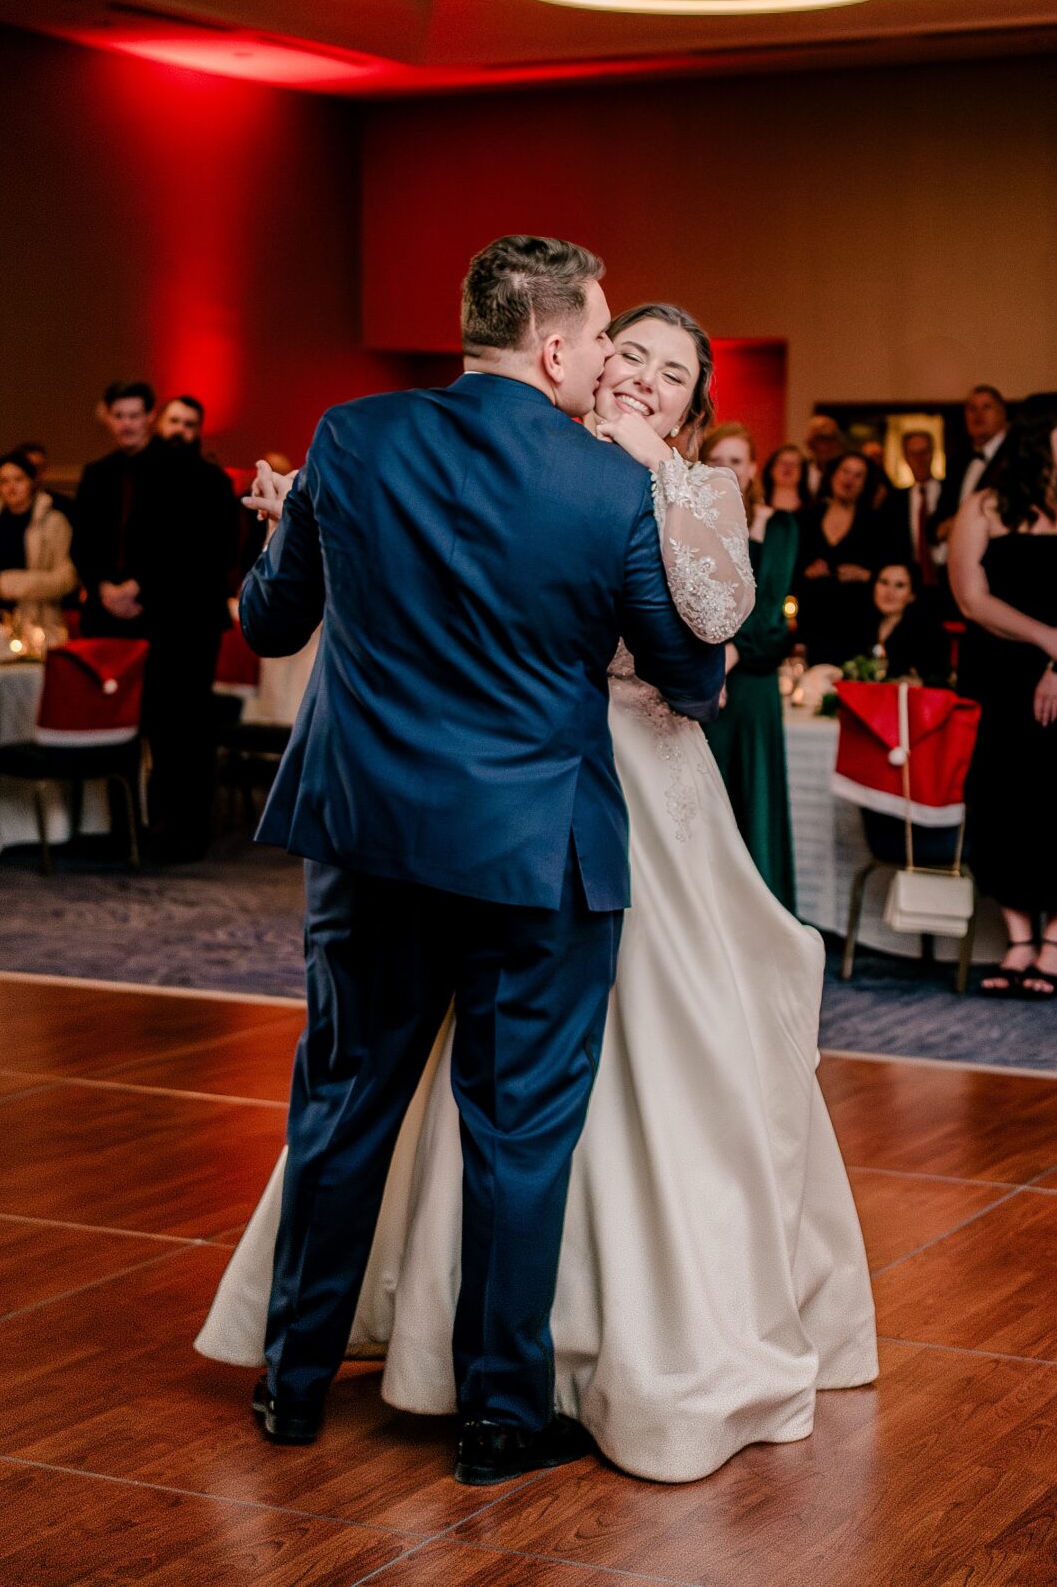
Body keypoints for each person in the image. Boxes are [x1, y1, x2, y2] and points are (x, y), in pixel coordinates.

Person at [198, 240, 872, 1489]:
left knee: (342, 1107)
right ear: (557, 347)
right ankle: (501, 1416)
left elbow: (272, 622)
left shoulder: (349, 439)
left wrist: (289, 530)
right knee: (519, 1131)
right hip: (534, 853)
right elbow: (682, 678)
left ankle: (292, 1384)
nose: (613, 363)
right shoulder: (606, 487)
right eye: (608, 337)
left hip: (370, 842)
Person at [950, 392, 1057, 999]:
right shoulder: (983, 507)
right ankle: (1018, 938)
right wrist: (1040, 636)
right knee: (1000, 797)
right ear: (1040, 434)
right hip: (1000, 674)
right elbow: (971, 597)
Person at [72, 380, 239, 862]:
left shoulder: (187, 473)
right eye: (118, 415)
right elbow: (83, 542)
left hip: (176, 617)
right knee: (120, 722)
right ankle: (121, 826)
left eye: (135, 415)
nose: (127, 423)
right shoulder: (97, 474)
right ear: (106, 416)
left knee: (178, 729)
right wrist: (103, 585)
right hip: (113, 616)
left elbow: (186, 545)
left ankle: (177, 829)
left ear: (149, 417)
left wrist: (139, 586)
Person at [703, 423, 798, 909]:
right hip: (703, 674)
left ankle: (762, 914)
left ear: (753, 468)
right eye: (717, 460)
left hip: (750, 679)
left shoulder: (777, 526)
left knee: (753, 797)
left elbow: (768, 611)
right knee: (708, 792)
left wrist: (728, 658)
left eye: (737, 461)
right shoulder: (691, 520)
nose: (727, 470)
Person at [795, 450, 891, 666]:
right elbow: (789, 569)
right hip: (811, 622)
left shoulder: (877, 524)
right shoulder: (807, 518)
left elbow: (890, 571)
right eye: (845, 471)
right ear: (832, 475)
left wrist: (865, 575)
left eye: (858, 475)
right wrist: (806, 571)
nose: (850, 479)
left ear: (866, 484)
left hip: (856, 625)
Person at [0, 450, 75, 639]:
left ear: (32, 482)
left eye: (18, 479)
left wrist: (10, 585)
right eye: (4, 481)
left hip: (36, 623)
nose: (11, 487)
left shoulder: (53, 523)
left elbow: (67, 578)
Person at [933, 384, 1016, 550]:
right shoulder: (958, 462)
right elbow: (939, 516)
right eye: (972, 409)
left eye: (986, 407)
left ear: (1002, 413)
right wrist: (941, 528)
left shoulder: (1015, 457)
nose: (978, 415)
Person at [880, 427, 948, 597]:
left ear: (933, 453)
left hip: (949, 580)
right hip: (911, 587)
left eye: (924, 452)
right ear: (905, 458)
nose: (920, 460)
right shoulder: (894, 500)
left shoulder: (951, 491)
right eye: (913, 454)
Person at [867, 561, 944, 681]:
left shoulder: (928, 633)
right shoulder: (854, 625)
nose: (889, 592)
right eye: (884, 582)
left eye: (900, 585)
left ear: (912, 595)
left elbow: (937, 679)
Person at [759, 443, 808, 517]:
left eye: (794, 464)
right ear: (771, 469)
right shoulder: (757, 508)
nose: (788, 467)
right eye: (782, 463)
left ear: (802, 472)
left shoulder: (813, 513)